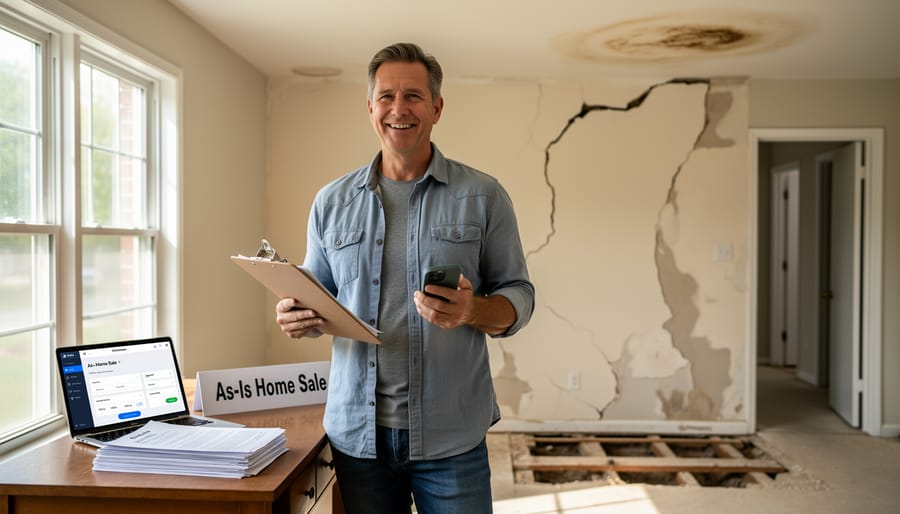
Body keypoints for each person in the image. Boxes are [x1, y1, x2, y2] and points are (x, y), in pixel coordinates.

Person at [275, 42, 534, 514]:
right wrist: (299, 315)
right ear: (370, 107)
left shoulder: (483, 195)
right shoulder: (330, 203)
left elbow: (519, 295)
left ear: (436, 107)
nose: (399, 109)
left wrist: (475, 310)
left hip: (451, 438)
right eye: (387, 96)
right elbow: (318, 297)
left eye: (413, 96)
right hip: (359, 440)